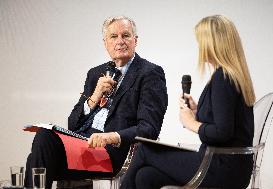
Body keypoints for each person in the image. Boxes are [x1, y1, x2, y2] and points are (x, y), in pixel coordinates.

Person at [24, 16, 168, 189]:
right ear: (105, 43)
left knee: (43, 148)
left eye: (126, 35)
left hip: (112, 153)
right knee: (42, 144)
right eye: (114, 37)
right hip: (82, 144)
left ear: (135, 40)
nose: (120, 41)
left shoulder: (149, 73)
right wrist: (94, 96)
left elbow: (149, 129)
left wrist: (110, 137)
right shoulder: (96, 73)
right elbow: (73, 124)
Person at [120, 15, 256, 189]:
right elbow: (227, 123)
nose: (199, 47)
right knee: (145, 177)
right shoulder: (231, 76)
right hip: (230, 166)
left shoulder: (223, 78)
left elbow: (222, 133)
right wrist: (198, 110)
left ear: (212, 43)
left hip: (222, 167)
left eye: (201, 41)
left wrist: (191, 123)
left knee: (145, 150)